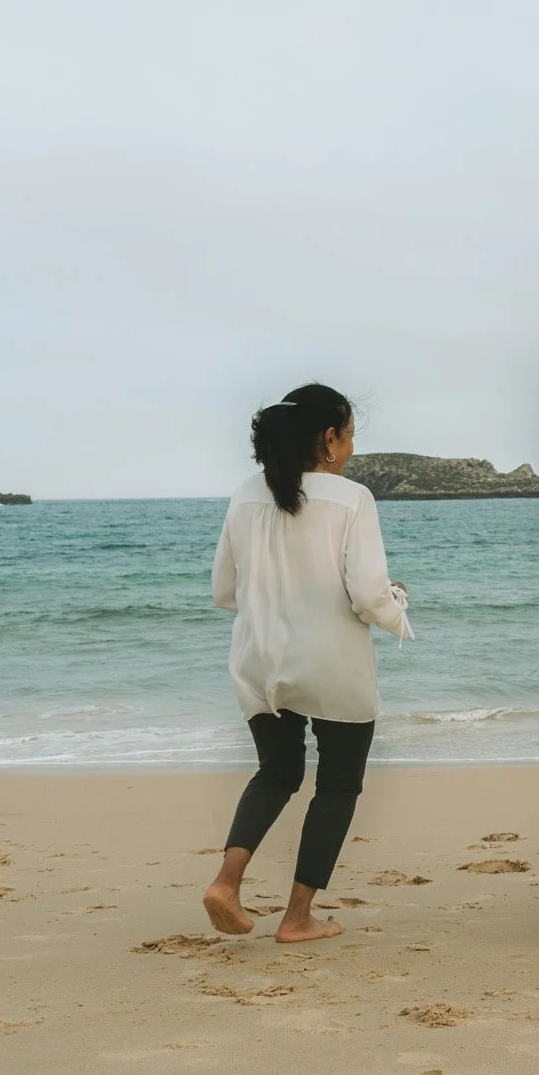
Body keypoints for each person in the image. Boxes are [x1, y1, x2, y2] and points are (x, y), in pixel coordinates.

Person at [202, 384, 409, 943]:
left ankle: (226, 883)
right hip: (332, 662)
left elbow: (225, 590)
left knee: (277, 772)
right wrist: (398, 605)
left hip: (257, 658)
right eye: (349, 436)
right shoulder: (351, 498)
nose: (351, 449)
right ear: (328, 439)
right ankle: (297, 917)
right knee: (339, 784)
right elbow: (368, 597)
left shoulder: (245, 495)